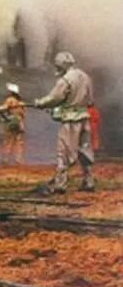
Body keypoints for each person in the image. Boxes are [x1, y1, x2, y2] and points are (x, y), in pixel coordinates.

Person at [32, 51, 96, 194]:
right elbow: (90, 101)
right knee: (85, 150)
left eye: (58, 66)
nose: (57, 68)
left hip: (70, 121)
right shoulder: (85, 77)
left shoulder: (65, 80)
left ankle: (60, 184)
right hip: (84, 118)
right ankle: (89, 181)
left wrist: (40, 103)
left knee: (64, 151)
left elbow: (54, 98)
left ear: (62, 65)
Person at [0, 83, 26, 165]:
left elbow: (4, 108)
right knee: (19, 141)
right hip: (20, 122)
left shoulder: (10, 99)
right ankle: (19, 160)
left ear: (11, 92)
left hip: (12, 121)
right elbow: (23, 114)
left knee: (8, 140)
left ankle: (5, 159)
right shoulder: (21, 102)